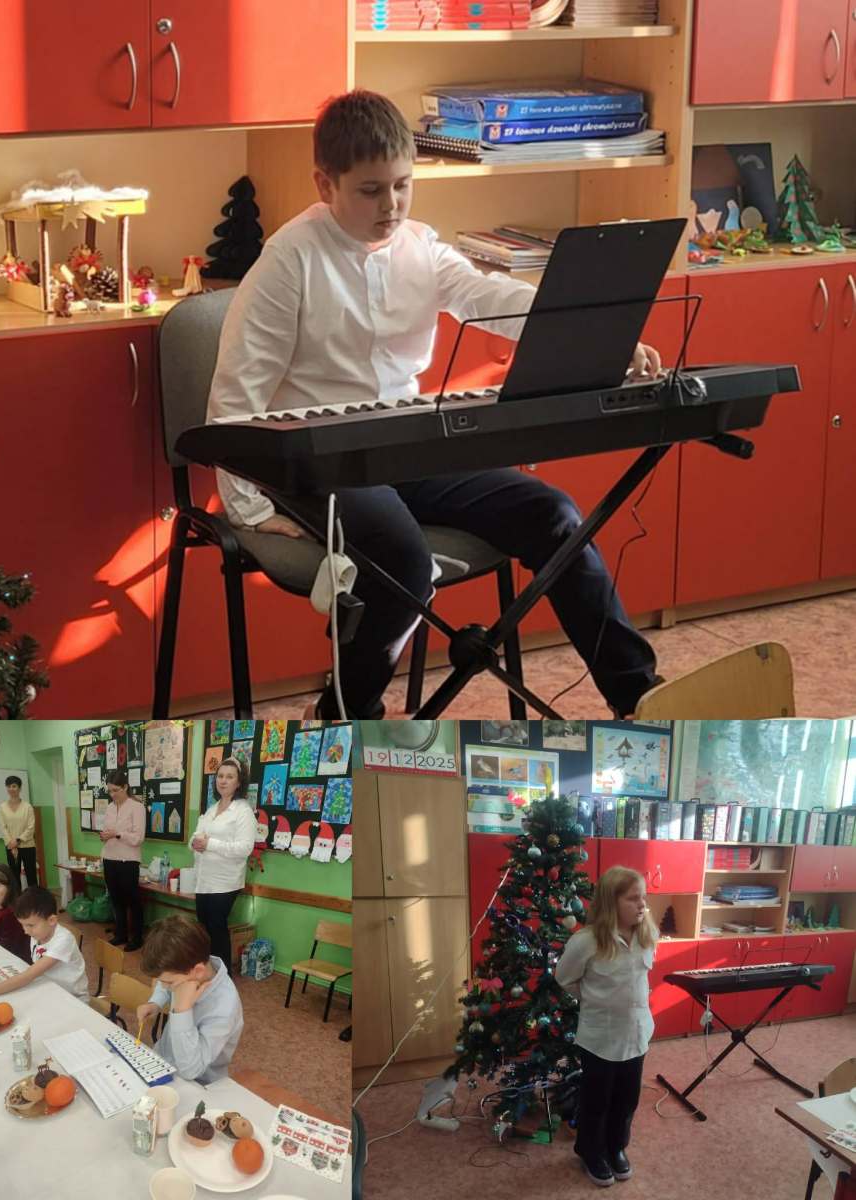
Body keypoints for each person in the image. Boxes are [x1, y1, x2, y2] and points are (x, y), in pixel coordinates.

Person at [207, 88, 663, 720]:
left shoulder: (419, 244)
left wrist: (602, 339)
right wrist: (250, 508)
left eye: (403, 186)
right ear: (325, 184)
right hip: (315, 458)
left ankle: (639, 694)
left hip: (408, 441)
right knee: (403, 562)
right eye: (371, 191)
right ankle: (343, 716)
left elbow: (490, 296)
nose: (391, 205)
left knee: (555, 516)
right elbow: (236, 396)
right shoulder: (289, 261)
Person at [552, 866, 658, 1188]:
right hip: (600, 1038)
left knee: (627, 1100)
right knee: (597, 1101)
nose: (642, 904)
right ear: (612, 902)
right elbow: (564, 978)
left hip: (636, 1034)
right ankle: (590, 1151)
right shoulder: (586, 941)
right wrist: (594, 998)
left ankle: (615, 1147)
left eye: (643, 897)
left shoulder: (646, 934)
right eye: (633, 898)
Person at [137, 915, 243, 1083]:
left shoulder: (224, 1007)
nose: (164, 986)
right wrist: (155, 1002)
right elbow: (165, 983)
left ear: (198, 971)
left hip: (199, 1084)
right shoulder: (188, 971)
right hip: (164, 1061)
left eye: (169, 983)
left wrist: (182, 1010)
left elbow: (191, 1070)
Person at [188, 758, 257, 972]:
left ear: (239, 782)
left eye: (229, 777)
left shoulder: (243, 811)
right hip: (204, 879)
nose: (223, 781)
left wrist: (210, 844)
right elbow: (195, 837)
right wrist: (194, 844)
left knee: (217, 928)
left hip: (225, 882)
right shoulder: (212, 809)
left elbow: (245, 848)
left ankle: (223, 976)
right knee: (204, 927)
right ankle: (208, 972)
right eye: (220, 776)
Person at [0, 886, 89, 1004]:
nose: (26, 931)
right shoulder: (38, 932)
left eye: (30, 925)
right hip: (48, 988)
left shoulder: (63, 940)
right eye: (22, 925)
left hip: (73, 999)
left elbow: (29, 975)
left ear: (52, 920)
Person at [100, 768, 146, 951]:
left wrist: (117, 834)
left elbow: (138, 838)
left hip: (128, 861)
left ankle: (137, 938)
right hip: (109, 858)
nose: (112, 795)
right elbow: (108, 830)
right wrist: (104, 835)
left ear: (125, 787)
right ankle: (121, 934)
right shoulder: (110, 808)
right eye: (109, 791)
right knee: (116, 900)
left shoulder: (137, 807)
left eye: (115, 790)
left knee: (133, 901)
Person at [0, 775, 38, 890]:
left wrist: (18, 840)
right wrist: (11, 843)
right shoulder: (2, 807)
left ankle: (34, 897)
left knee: (31, 874)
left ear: (19, 788)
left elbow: (31, 827)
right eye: (8, 786)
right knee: (14, 876)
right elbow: (3, 827)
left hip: (27, 845)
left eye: (14, 786)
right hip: (11, 846)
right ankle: (17, 899)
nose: (11, 789)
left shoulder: (27, 807)